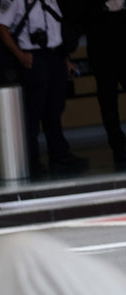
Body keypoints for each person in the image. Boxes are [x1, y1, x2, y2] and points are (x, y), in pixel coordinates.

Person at [0, 0, 86, 175]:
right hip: (33, 58)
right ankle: (32, 160)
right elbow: (1, 28)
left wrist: (64, 59)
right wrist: (20, 55)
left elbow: (55, 28)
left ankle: (59, 154)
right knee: (32, 112)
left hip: (55, 56)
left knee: (55, 108)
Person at [65, 0, 126, 169]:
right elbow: (78, 15)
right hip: (102, 51)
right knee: (108, 102)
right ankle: (118, 147)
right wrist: (104, 7)